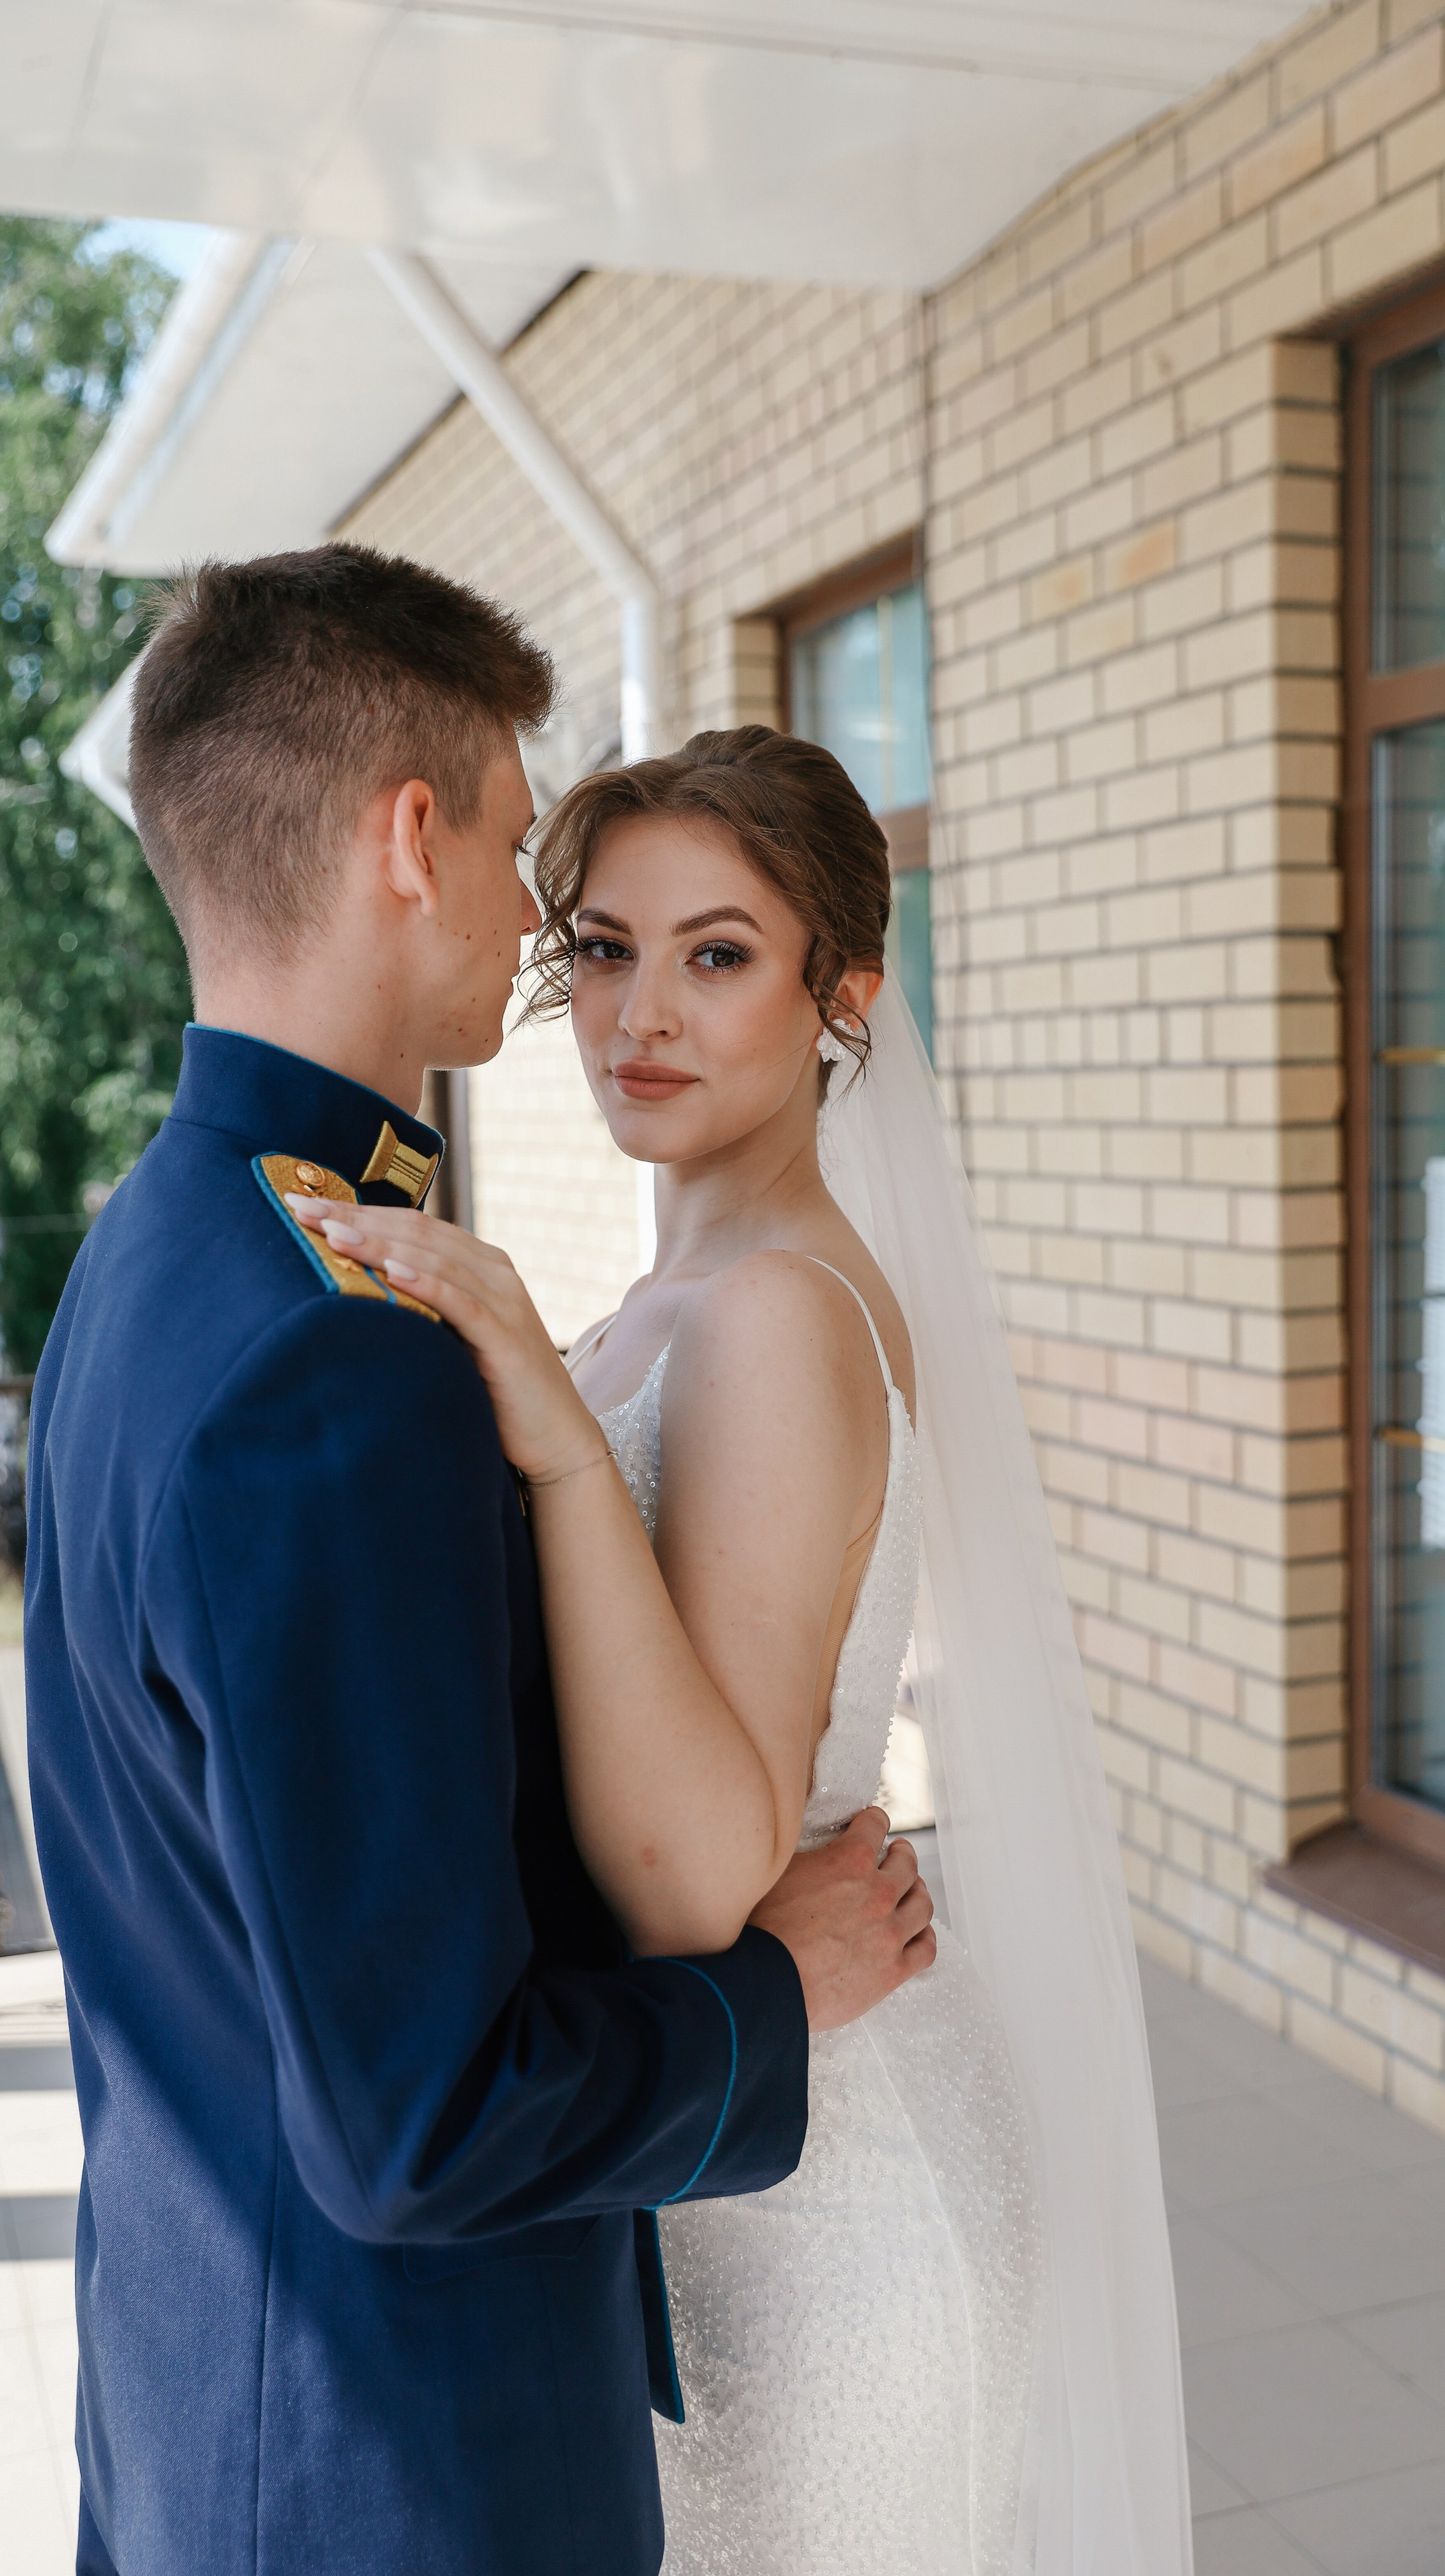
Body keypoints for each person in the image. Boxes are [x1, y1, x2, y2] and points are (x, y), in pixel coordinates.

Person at [23, 554, 936, 2576]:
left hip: (213, 2391)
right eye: (546, 876)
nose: (553, 947)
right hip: (391, 2466)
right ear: (411, 840)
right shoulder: (331, 1360)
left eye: (710, 955)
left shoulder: (154, 1255)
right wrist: (775, 2000)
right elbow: (422, 2117)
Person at [307, 727, 1195, 2575]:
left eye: (719, 954)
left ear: (842, 994)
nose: (643, 1009)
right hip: (708, 2153)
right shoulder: (667, 1304)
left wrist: (546, 1423)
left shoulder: (780, 1317)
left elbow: (709, 1871)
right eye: (605, 948)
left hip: (830, 2202)